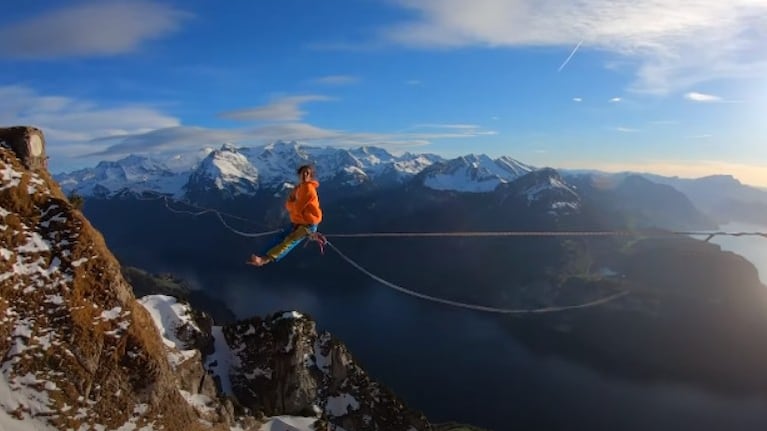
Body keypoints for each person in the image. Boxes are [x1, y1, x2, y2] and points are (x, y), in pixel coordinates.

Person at [247, 164, 323, 267]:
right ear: (299, 175)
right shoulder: (298, 188)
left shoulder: (308, 189)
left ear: (311, 176)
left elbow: (295, 207)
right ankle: (261, 256)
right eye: (303, 172)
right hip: (298, 222)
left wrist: (292, 205)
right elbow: (290, 204)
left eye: (307, 173)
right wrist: (292, 205)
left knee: (289, 241)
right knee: (279, 237)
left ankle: (264, 259)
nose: (304, 175)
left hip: (308, 225)